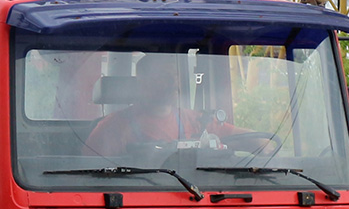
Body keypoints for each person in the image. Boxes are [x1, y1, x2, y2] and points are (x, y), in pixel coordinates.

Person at [85, 55, 254, 157]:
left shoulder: (197, 120)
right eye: (165, 77)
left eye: (175, 76)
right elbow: (88, 181)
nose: (174, 83)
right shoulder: (113, 128)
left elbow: (262, 142)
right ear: (143, 82)